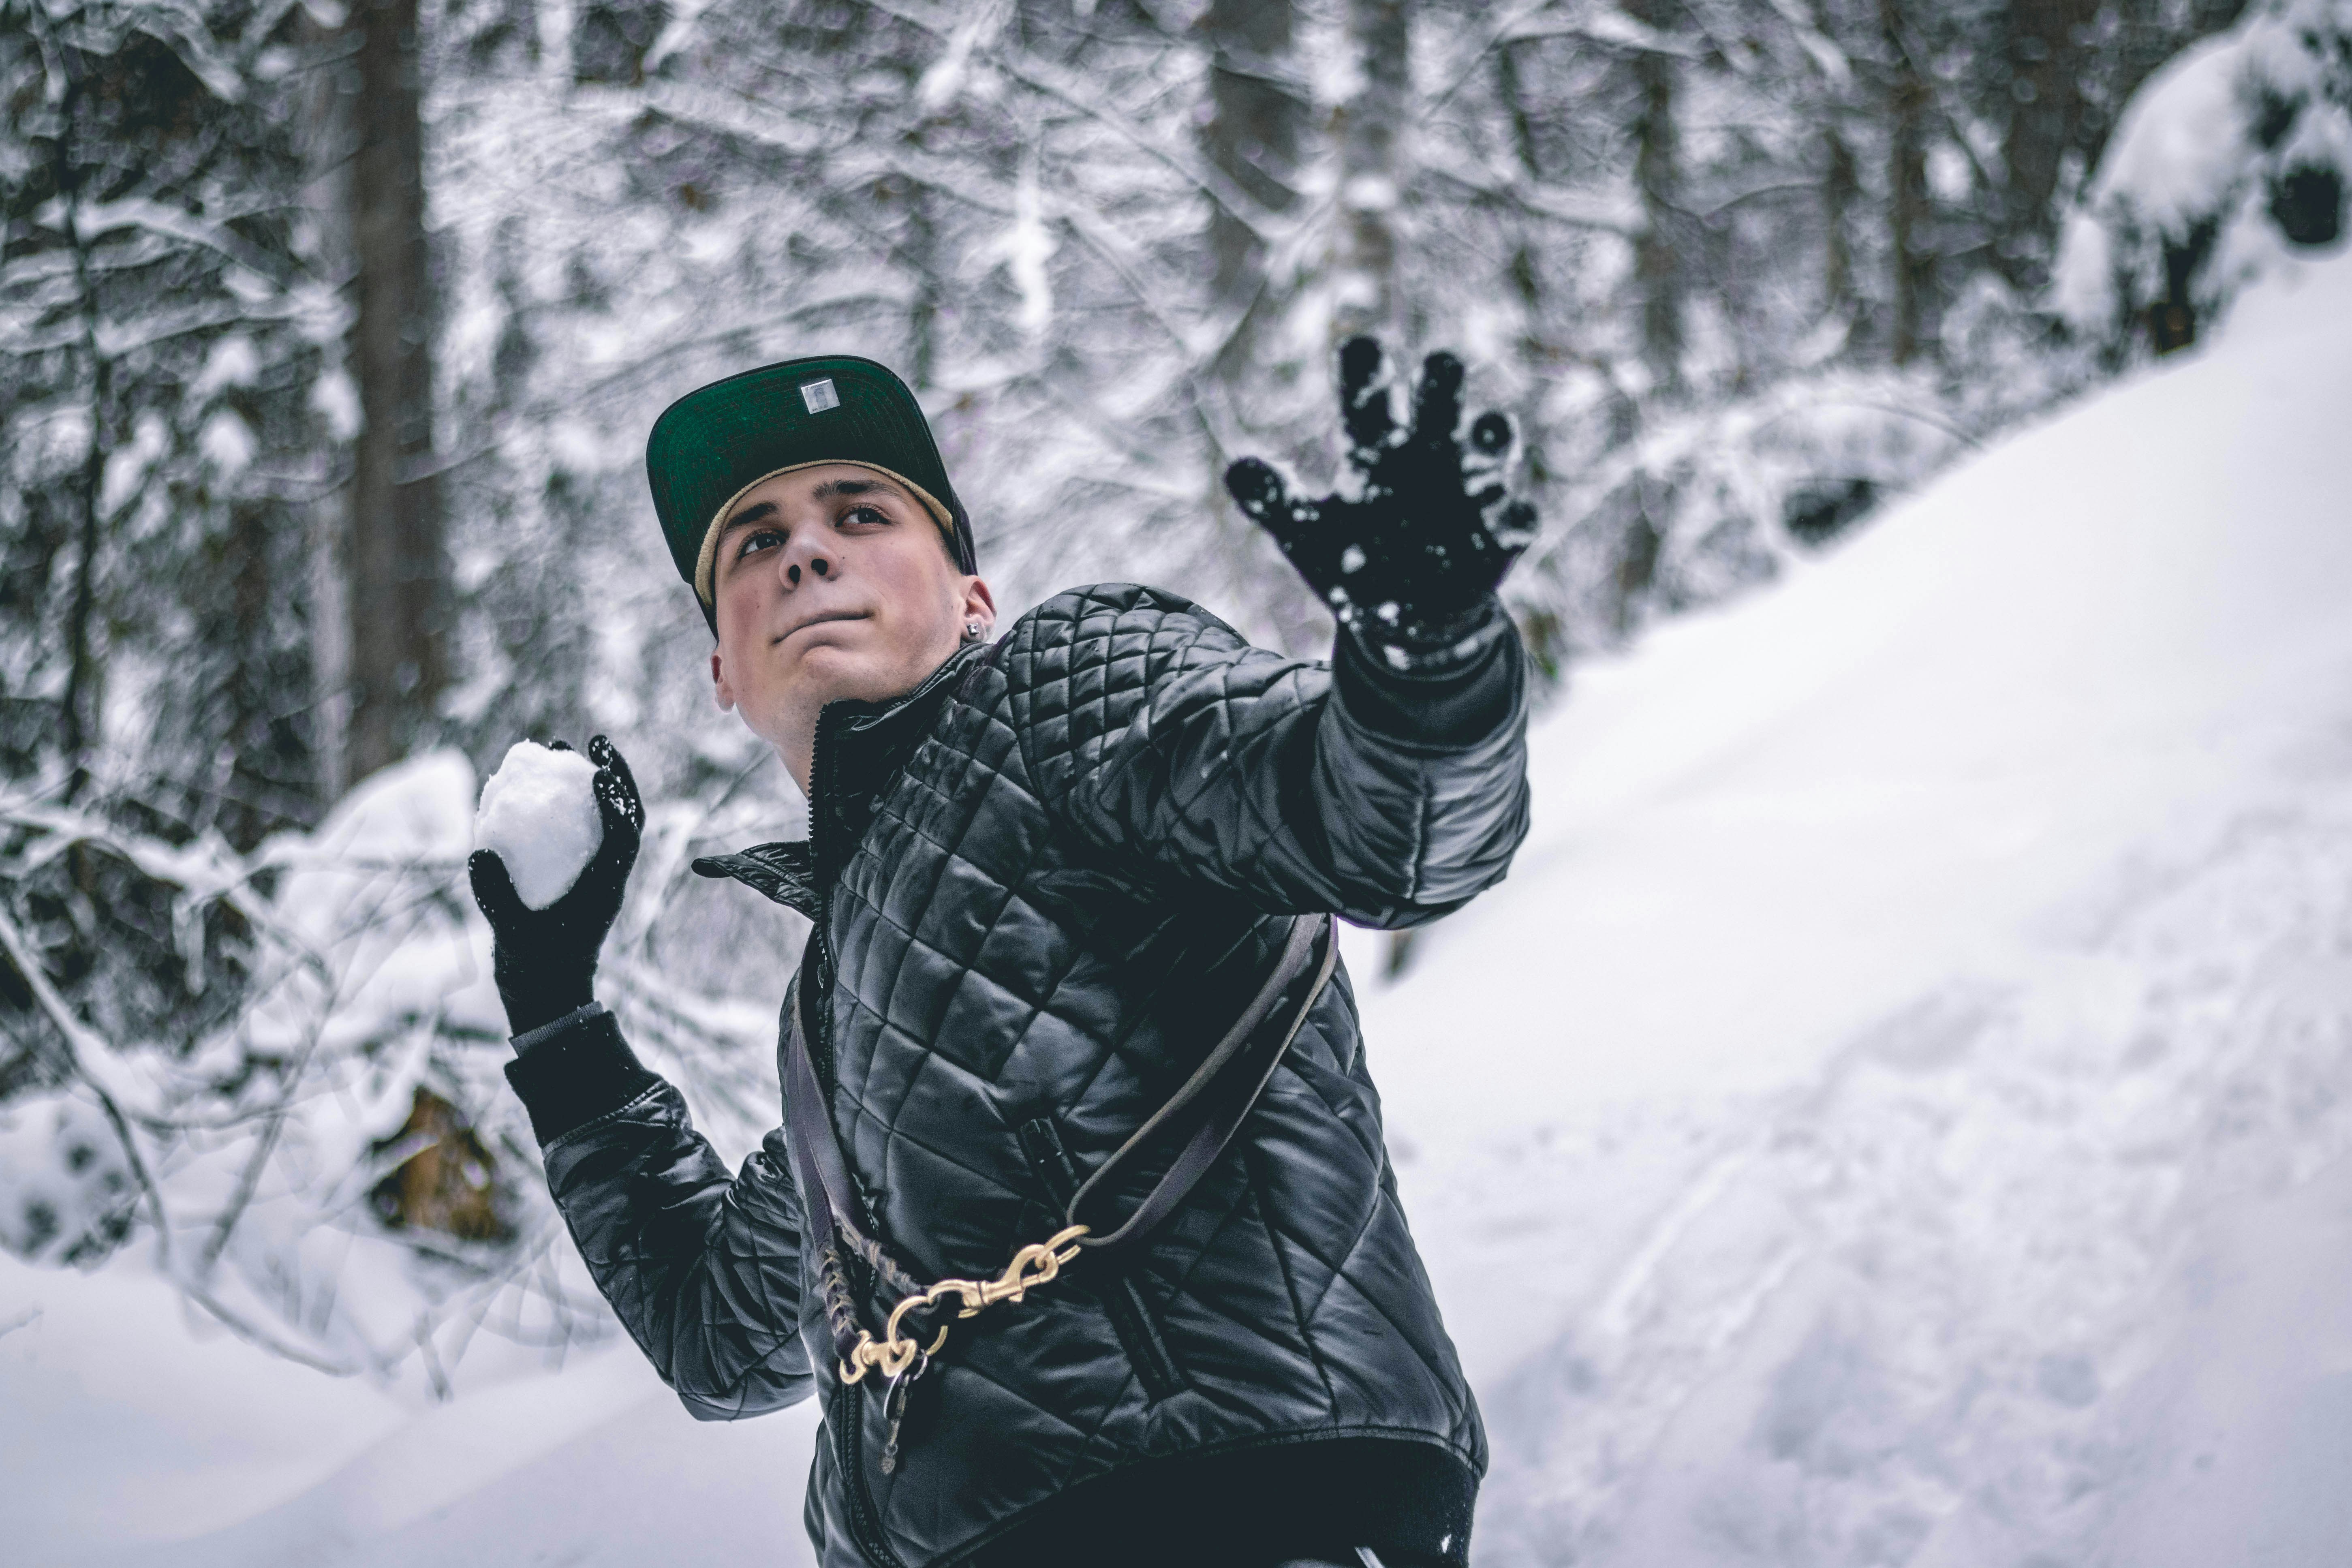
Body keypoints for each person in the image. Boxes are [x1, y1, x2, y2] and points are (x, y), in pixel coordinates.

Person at [468, 340, 1535, 1568]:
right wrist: (553, 1013)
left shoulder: (1071, 693)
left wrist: (1427, 667)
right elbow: (719, 1345)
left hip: (1243, 1505)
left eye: (858, 513)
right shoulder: (835, 1005)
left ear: (974, 596)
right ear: (723, 667)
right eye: (753, 543)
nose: (806, 550)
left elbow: (1386, 836)